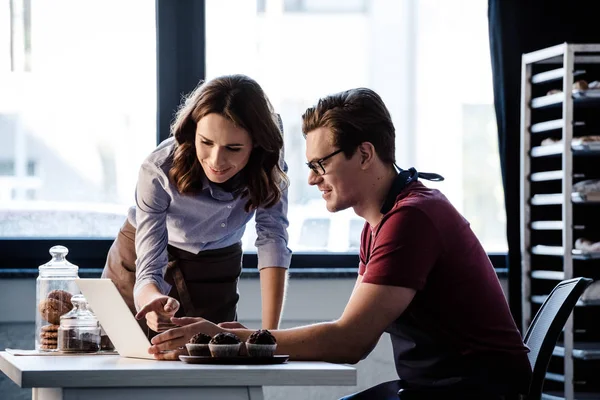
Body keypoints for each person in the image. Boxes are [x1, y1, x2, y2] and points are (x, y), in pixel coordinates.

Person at [146, 88, 532, 399]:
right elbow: (347, 331)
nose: (312, 180)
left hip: (477, 394)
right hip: (437, 390)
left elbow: (349, 342)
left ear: (365, 154)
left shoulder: (411, 220)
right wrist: (247, 338)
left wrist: (233, 338)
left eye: (320, 165)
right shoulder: (382, 222)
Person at [102, 74, 291, 336]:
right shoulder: (158, 169)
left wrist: (271, 336)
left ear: (256, 144)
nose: (216, 160)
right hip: (139, 256)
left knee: (217, 362)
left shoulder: (269, 162)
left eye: (234, 148)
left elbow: (272, 239)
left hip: (217, 263)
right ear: (193, 132)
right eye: (206, 142)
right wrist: (150, 300)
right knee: (127, 360)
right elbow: (148, 269)